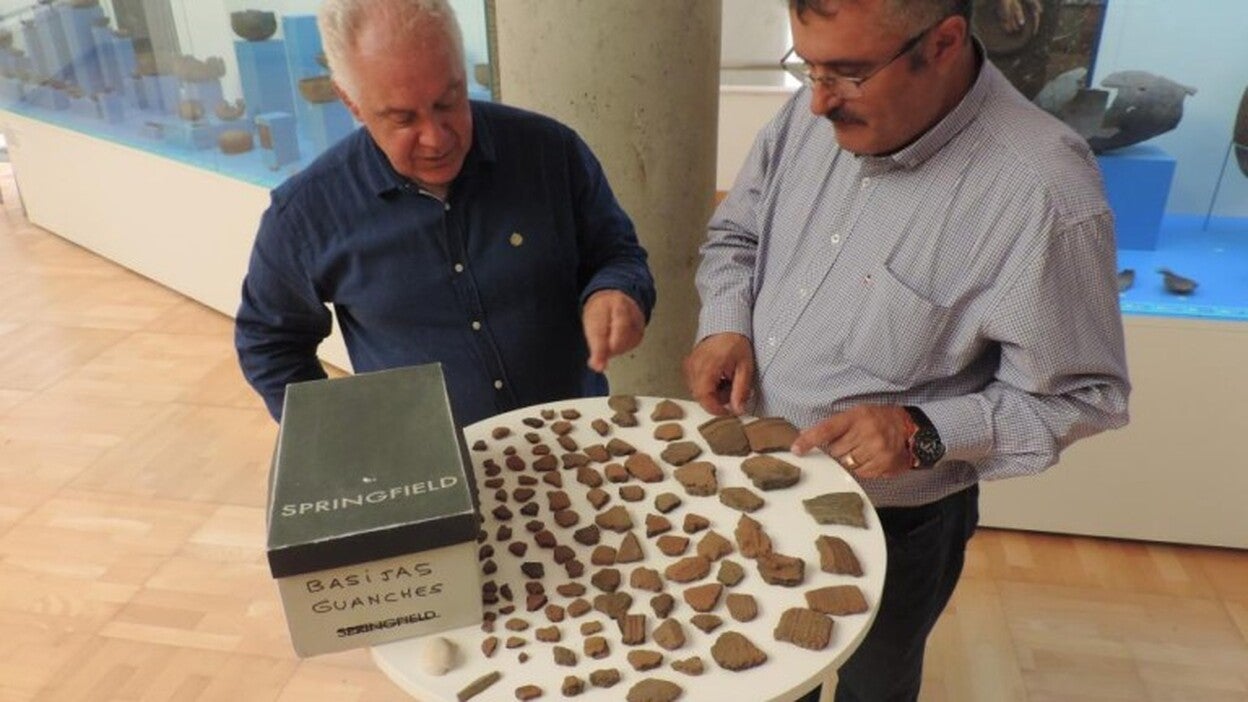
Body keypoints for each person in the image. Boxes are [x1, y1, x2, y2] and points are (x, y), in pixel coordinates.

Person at [684, 1, 1129, 700]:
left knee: (874, 685)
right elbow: (737, 235)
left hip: (899, 524)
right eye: (809, 67)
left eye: (850, 74)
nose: (818, 103)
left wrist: (922, 433)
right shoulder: (813, 111)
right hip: (763, 479)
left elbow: (1084, 397)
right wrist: (725, 321)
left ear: (944, 41)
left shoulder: (1043, 194)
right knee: (765, 673)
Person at [235, 0, 655, 426]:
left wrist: (616, 291)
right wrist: (339, 435)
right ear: (351, 102)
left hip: (575, 440)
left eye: (448, 102)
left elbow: (616, 254)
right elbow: (269, 343)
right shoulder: (306, 214)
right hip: (429, 470)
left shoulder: (551, 153)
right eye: (403, 119)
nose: (436, 139)